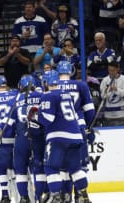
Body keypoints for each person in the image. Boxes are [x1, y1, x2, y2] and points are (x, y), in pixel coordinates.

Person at [38, 70, 91, 203]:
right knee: (75, 168)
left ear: (45, 82)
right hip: (76, 135)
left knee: (51, 166)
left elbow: (47, 119)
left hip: (58, 136)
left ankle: (56, 196)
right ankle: (83, 195)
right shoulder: (66, 94)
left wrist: (36, 114)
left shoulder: (48, 95)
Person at [57, 61, 95, 202]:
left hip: (60, 129)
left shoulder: (52, 86)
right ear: (71, 71)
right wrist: (89, 127)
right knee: (80, 164)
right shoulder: (81, 85)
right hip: (78, 127)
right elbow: (90, 110)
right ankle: (80, 194)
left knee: (62, 165)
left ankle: (65, 194)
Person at [12, 75, 46, 203]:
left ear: (20, 86)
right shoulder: (41, 96)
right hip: (38, 136)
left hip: (22, 137)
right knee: (39, 167)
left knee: (20, 170)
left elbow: (10, 122)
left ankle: (24, 198)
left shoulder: (16, 98)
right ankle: (40, 197)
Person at [100, 60, 124, 126]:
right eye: (109, 70)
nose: (111, 72)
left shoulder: (123, 79)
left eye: (113, 70)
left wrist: (116, 89)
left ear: (117, 69)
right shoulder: (105, 80)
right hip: (108, 115)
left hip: (121, 115)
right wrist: (107, 91)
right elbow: (103, 96)